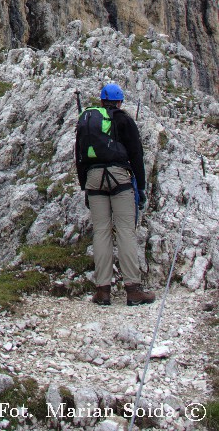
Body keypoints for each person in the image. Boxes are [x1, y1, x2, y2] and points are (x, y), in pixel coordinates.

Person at [75, 83, 155, 306]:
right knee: (125, 231)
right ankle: (133, 290)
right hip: (119, 178)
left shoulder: (88, 121)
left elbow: (79, 155)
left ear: (101, 101)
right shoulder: (124, 119)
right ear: (120, 102)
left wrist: (85, 187)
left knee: (101, 232)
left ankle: (102, 291)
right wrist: (140, 186)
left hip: (93, 178)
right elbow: (136, 153)